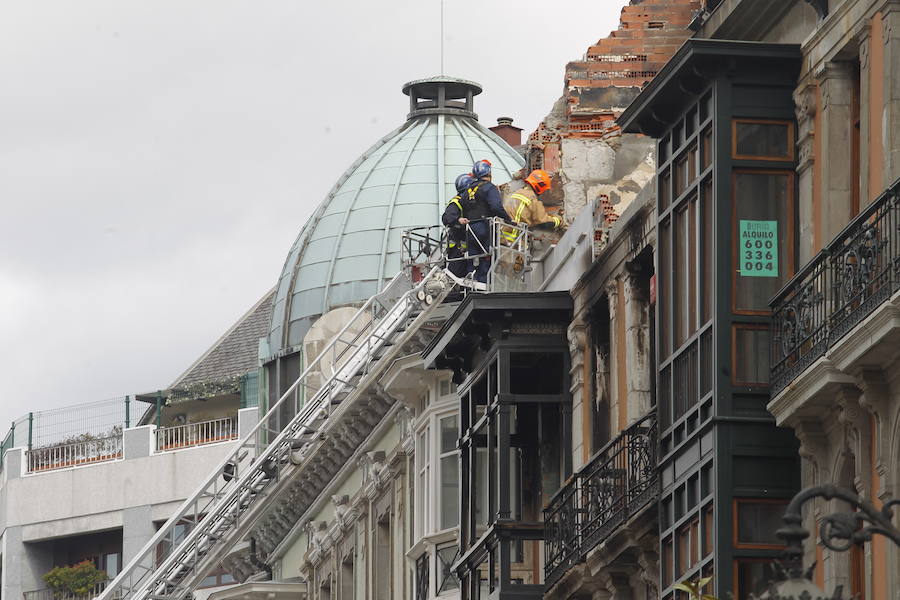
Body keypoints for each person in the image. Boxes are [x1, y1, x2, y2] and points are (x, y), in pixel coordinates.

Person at [461, 159, 509, 283]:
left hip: (470, 230)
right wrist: (508, 219)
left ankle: (470, 283)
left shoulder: (466, 192)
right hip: (485, 227)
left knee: (472, 259)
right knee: (487, 258)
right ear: (489, 173)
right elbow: (496, 207)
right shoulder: (489, 188)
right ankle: (484, 283)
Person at [501, 169, 564, 244]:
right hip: (512, 242)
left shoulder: (517, 193)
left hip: (502, 237)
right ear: (541, 186)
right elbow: (543, 221)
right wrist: (558, 220)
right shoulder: (532, 198)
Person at [441, 173, 477, 278]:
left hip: (466, 249)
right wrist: (458, 220)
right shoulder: (456, 202)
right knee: (454, 278)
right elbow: (447, 218)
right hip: (458, 250)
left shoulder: (467, 202)